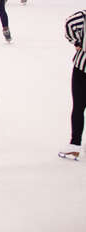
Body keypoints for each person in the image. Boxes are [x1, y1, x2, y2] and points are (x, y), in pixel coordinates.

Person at [59, 10, 86, 161]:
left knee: (79, 107)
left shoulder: (83, 17)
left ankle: (75, 144)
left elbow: (70, 22)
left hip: (83, 69)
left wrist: (77, 41)